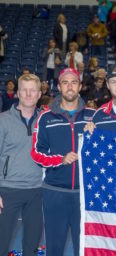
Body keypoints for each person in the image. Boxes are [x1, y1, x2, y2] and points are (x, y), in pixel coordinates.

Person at [31, 68, 95, 256]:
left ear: (80, 86)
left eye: (74, 82)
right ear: (58, 86)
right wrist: (60, 159)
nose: (69, 86)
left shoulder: (93, 116)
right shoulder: (46, 117)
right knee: (55, 249)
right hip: (55, 193)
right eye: (65, 82)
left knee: (84, 250)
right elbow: (36, 154)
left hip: (85, 195)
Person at [0, 74, 43, 256]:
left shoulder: (45, 121)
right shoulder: (3, 120)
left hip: (37, 191)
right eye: (24, 89)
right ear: (17, 93)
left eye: (32, 90)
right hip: (7, 191)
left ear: (39, 94)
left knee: (31, 248)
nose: (28, 94)